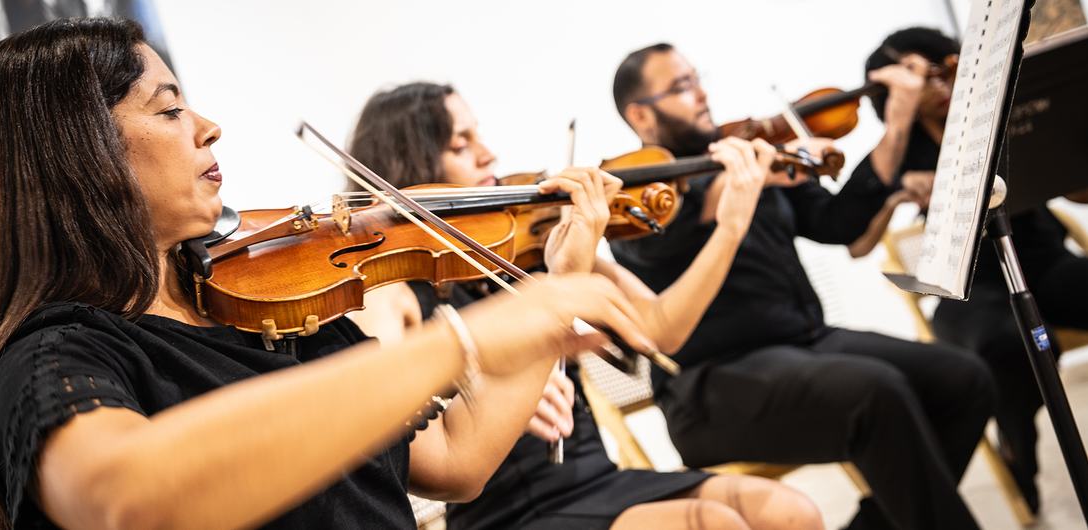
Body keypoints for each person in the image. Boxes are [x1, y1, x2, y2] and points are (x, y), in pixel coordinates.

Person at [0, 18, 664, 530]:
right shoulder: (56, 356)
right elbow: (123, 499)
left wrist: (547, 292)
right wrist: (456, 345)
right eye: (170, 109)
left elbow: (457, 459)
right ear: (80, 153)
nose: (207, 126)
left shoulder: (267, 307)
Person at [344, 82, 825, 530]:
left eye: (479, 135)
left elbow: (661, 329)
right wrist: (473, 383)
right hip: (512, 511)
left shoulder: (529, 246)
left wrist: (731, 227)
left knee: (789, 512)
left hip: (596, 476)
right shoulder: (392, 291)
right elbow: (398, 432)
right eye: (460, 145)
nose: (489, 153)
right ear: (412, 167)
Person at [606, 42, 997, 530]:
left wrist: (896, 125)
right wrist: (755, 175)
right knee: (874, 392)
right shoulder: (636, 196)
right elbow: (681, 224)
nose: (702, 93)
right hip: (708, 387)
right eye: (682, 86)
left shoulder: (748, 152)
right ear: (641, 115)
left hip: (807, 343)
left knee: (964, 378)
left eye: (696, 77)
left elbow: (839, 222)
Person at [848, 27, 1088, 514]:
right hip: (969, 286)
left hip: (1046, 262)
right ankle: (1018, 445)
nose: (938, 87)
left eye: (943, 70)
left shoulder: (1004, 118)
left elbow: (1079, 194)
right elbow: (857, 243)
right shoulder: (901, 149)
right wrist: (896, 195)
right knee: (1001, 345)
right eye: (921, 80)